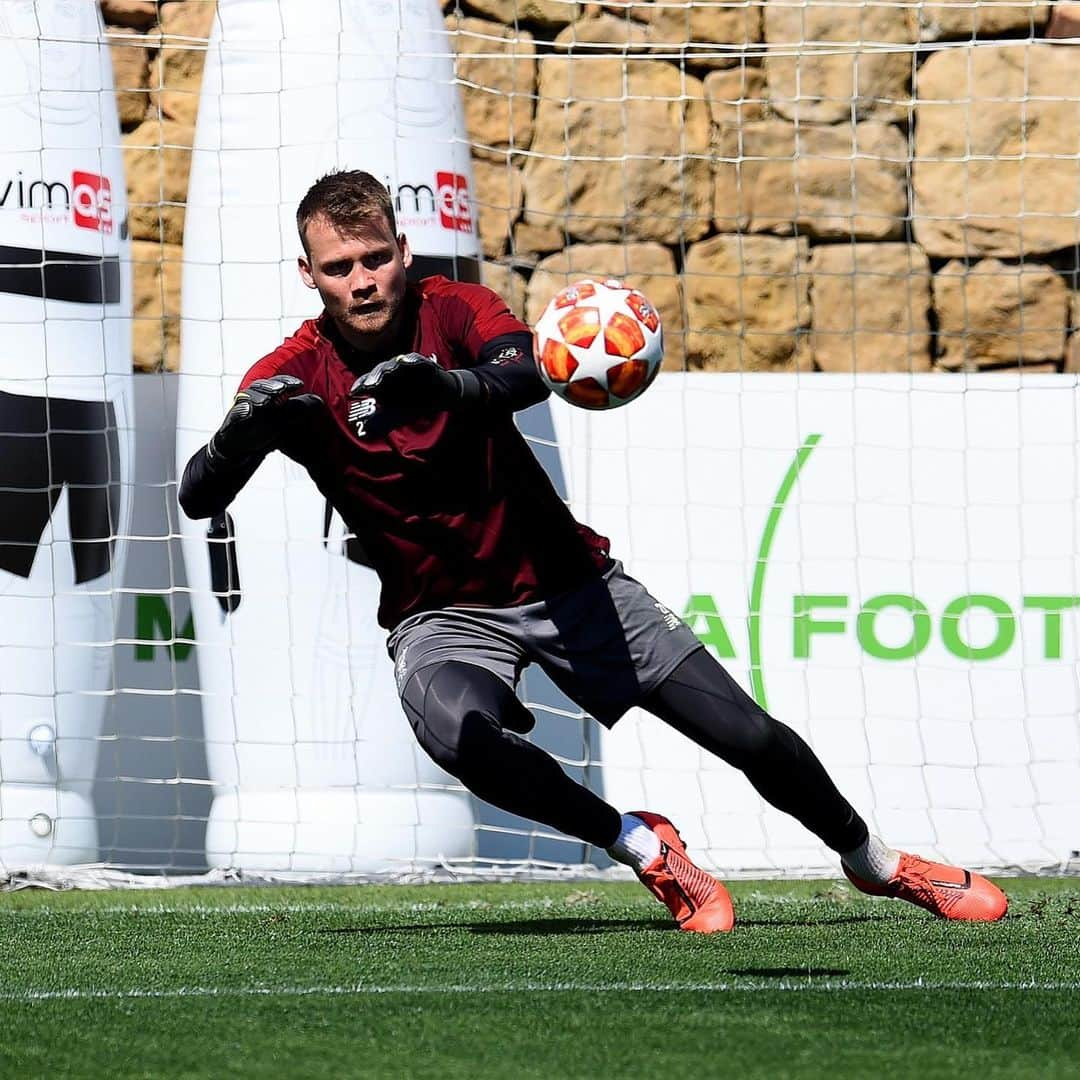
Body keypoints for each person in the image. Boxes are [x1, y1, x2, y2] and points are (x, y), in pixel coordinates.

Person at [179, 169, 1007, 932]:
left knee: (750, 738)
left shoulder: (457, 309)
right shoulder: (293, 372)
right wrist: (236, 438)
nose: (360, 282)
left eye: (373, 259)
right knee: (459, 737)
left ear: (402, 252)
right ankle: (640, 844)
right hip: (441, 614)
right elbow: (197, 495)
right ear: (308, 274)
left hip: (570, 582)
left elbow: (527, 372)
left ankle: (879, 863)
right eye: (336, 267)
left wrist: (447, 387)